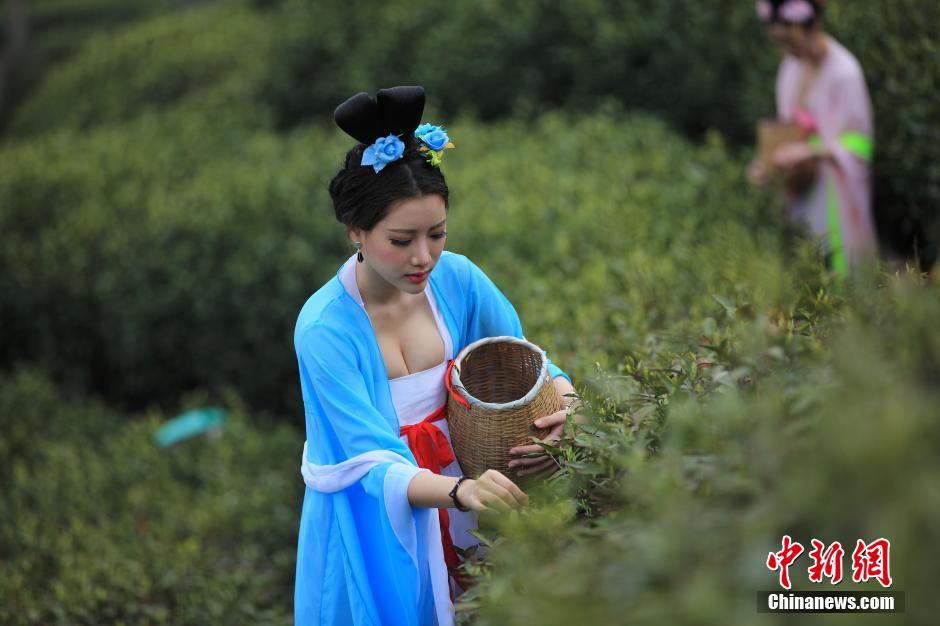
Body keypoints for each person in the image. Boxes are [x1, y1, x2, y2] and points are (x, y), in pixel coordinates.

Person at [293, 86, 578, 626]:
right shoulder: (324, 328)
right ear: (355, 230)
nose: (423, 257)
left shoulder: (458, 279)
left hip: (476, 481)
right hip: (385, 517)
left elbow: (528, 362)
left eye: (437, 234)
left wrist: (569, 405)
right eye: (401, 241)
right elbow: (367, 460)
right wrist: (460, 492)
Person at [748, 0, 877, 275]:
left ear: (814, 27)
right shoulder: (791, 67)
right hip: (801, 189)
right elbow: (788, 128)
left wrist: (812, 151)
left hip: (833, 194)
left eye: (792, 44)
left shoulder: (845, 73)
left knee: (837, 273)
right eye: (781, 45)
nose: (788, 53)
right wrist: (766, 162)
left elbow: (860, 144)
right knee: (805, 272)